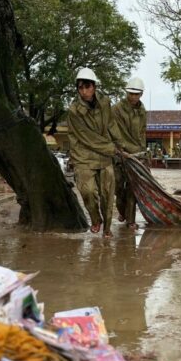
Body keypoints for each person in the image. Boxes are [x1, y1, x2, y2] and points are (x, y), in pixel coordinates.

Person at [67, 68, 119, 238]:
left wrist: (121, 145)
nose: (84, 91)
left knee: (107, 193)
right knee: (87, 191)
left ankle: (107, 228)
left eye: (87, 87)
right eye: (80, 88)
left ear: (94, 86)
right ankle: (96, 219)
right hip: (83, 154)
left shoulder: (105, 103)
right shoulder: (74, 111)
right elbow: (87, 138)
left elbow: (111, 125)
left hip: (104, 156)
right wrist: (112, 148)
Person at [112, 77, 147, 229]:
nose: (133, 97)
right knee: (118, 188)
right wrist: (120, 150)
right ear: (126, 92)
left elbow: (142, 133)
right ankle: (122, 211)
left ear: (141, 94)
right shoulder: (116, 109)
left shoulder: (142, 111)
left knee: (133, 188)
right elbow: (113, 132)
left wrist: (143, 153)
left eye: (137, 94)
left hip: (137, 155)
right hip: (120, 154)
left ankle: (131, 220)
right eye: (131, 93)